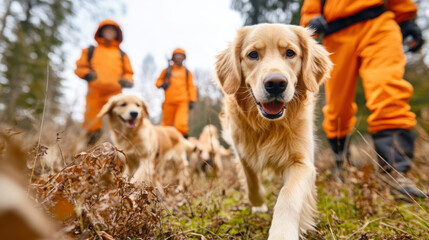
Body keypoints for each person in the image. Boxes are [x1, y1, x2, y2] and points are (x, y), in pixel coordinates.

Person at [300, 0, 425, 198]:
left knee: (388, 91)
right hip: (336, 34)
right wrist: (311, 20)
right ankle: (342, 163)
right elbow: (310, 7)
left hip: (379, 24)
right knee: (336, 108)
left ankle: (395, 172)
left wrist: (406, 20)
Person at [75, 19, 134, 146]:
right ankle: (92, 151)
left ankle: (118, 149)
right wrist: (87, 74)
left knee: (119, 120)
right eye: (107, 30)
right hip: (95, 92)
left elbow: (129, 73)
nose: (109, 32)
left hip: (115, 94)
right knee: (92, 122)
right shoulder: (90, 50)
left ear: (117, 34)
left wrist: (128, 81)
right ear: (100, 32)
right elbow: (80, 67)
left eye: (112, 30)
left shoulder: (122, 54)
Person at [156, 48, 197, 138]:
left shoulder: (187, 73)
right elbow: (157, 82)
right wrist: (162, 84)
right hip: (169, 102)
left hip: (182, 102)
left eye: (181, 56)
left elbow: (191, 86)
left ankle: (182, 144)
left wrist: (192, 100)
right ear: (173, 58)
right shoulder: (167, 71)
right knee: (166, 125)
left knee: (181, 125)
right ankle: (165, 144)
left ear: (184, 58)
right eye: (177, 56)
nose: (179, 58)